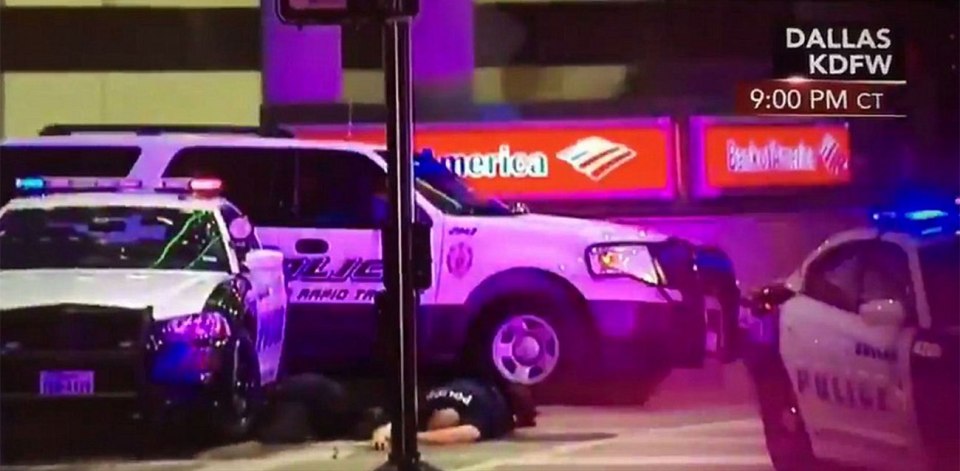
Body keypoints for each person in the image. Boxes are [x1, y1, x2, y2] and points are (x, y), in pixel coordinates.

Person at [369, 377, 537, 450]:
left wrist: (411, 437)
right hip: (473, 385)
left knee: (512, 420)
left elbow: (467, 434)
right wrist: (384, 432)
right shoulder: (427, 404)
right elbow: (398, 421)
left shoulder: (487, 412)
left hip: (493, 395)